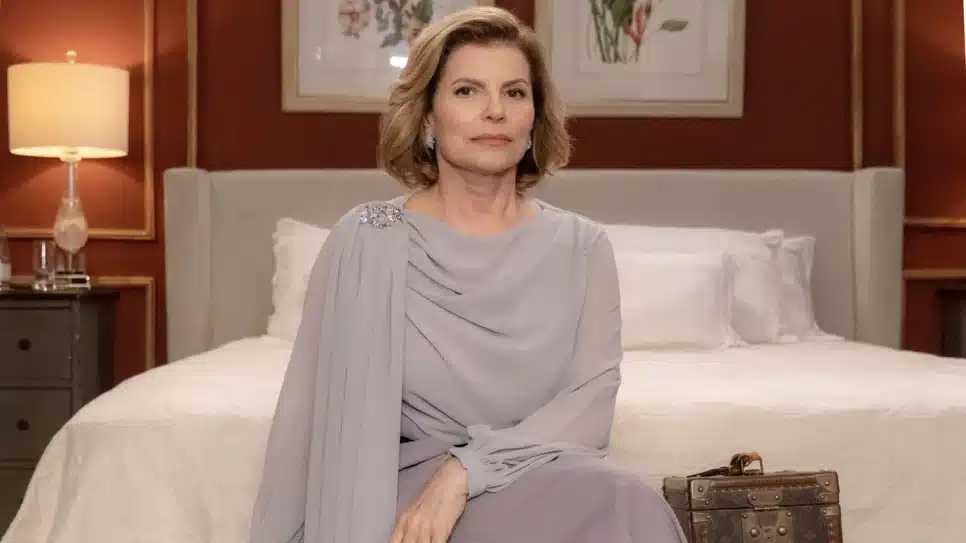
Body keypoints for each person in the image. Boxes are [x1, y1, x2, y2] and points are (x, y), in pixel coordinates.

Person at [248, 6, 687, 543]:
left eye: (514, 93)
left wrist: (466, 473)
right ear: (427, 118)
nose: (494, 111)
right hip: (402, 494)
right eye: (467, 91)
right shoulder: (368, 239)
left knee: (624, 500)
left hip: (539, 471)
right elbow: (307, 424)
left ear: (534, 118)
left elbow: (588, 408)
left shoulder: (583, 246)